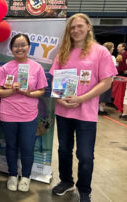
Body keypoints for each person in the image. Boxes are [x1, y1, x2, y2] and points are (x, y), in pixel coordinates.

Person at [49, 13, 117, 202]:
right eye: (72, 27)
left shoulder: (100, 52)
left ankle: (84, 189)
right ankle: (66, 181)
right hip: (63, 111)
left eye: (79, 26)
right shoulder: (64, 51)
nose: (76, 30)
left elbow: (106, 81)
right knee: (64, 150)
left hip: (86, 114)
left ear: (88, 26)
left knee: (85, 155)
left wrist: (82, 98)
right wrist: (59, 98)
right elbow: (56, 77)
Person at [0, 33, 48, 192]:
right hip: (8, 113)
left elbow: (41, 91)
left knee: (27, 147)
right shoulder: (6, 68)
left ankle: (26, 177)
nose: (20, 48)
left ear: (29, 47)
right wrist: (12, 90)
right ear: (11, 49)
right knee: (11, 146)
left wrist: (28, 94)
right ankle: (12, 175)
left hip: (29, 115)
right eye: (16, 45)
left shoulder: (36, 67)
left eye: (23, 45)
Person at [98, 42, 117, 115]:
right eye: (112, 47)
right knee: (105, 95)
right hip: (108, 79)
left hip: (100, 79)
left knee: (99, 94)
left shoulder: (99, 56)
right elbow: (113, 69)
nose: (113, 49)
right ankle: (101, 110)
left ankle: (97, 109)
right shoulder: (112, 57)